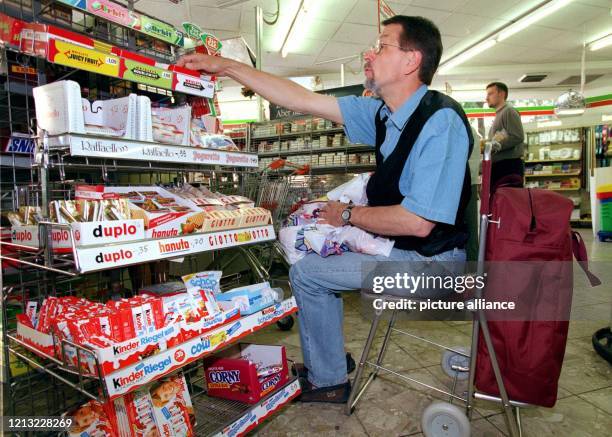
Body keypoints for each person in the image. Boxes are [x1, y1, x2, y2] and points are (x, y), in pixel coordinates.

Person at [178, 15, 472, 403]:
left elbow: (417, 223)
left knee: (309, 275)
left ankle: (329, 378)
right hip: (405, 251)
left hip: (435, 265)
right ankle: (330, 362)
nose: (370, 53)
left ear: (410, 61)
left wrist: (346, 216)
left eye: (382, 45)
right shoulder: (384, 114)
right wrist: (230, 67)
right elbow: (299, 98)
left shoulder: (441, 122)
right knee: (313, 260)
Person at [485, 82, 526, 187]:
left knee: (509, 200)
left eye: (490, 94)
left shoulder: (509, 111)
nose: (486, 98)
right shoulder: (500, 114)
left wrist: (493, 146)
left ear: (501, 94)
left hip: (508, 167)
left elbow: (517, 136)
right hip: (501, 166)